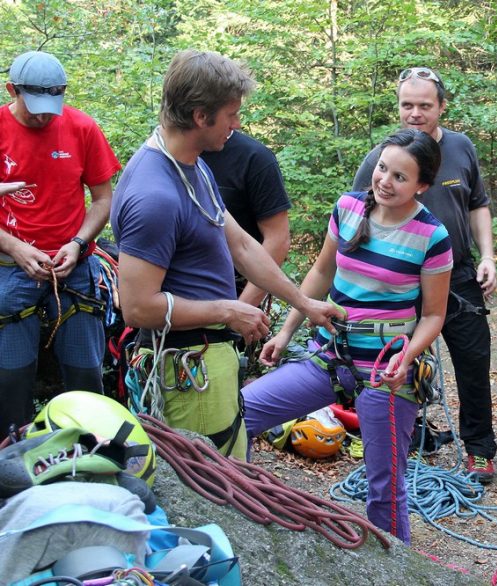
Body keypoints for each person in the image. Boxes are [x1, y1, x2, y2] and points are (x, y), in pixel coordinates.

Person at [110, 50, 340, 460]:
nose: (237, 124)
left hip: (208, 359)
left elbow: (242, 245)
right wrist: (229, 311)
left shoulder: (192, 167)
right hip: (184, 367)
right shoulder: (155, 195)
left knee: (233, 472)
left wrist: (303, 303)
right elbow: (137, 308)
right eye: (232, 114)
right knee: (212, 488)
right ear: (201, 116)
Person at [243, 128, 452, 543]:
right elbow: (322, 272)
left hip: (386, 366)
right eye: (382, 168)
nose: (385, 182)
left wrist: (407, 357)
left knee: (384, 488)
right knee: (242, 413)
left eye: (400, 177)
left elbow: (433, 315)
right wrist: (285, 333)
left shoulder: (432, 236)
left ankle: (395, 570)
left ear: (422, 186)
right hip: (330, 354)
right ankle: (243, 520)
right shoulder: (349, 207)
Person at [352, 67, 497, 482]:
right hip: (402, 279)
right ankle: (406, 439)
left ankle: (480, 448)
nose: (414, 113)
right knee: (400, 359)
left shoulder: (460, 147)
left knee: (473, 359)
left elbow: (478, 204)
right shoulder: (384, 156)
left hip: (460, 275)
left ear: (442, 107)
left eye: (424, 105)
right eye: (407, 105)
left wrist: (488, 255)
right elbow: (357, 211)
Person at [0, 51, 121, 437]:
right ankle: (15, 460)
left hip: (74, 267)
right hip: (11, 269)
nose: (44, 116)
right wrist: (16, 248)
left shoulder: (82, 128)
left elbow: (104, 199)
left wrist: (78, 242)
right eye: (35, 108)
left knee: (86, 371)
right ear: (11, 90)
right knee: (11, 378)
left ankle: (90, 448)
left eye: (52, 106)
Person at [200, 130, 291, 307]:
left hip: (234, 297)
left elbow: (278, 239)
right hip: (172, 304)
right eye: (230, 114)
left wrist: (242, 310)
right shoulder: (165, 156)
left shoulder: (255, 157)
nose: (236, 123)